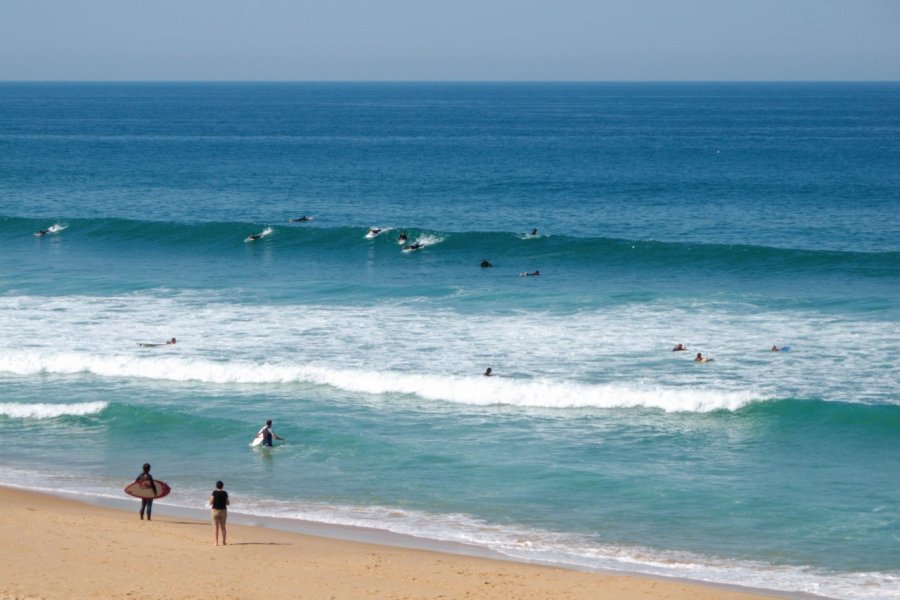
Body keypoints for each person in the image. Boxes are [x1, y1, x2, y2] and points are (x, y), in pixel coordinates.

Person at [209, 480, 229, 546]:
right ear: (222, 486)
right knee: (223, 527)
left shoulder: (214, 492)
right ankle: (224, 542)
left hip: (215, 511)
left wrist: (210, 502)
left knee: (216, 527)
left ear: (216, 486)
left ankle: (216, 542)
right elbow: (228, 503)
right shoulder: (225, 493)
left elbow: (211, 502)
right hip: (223, 511)